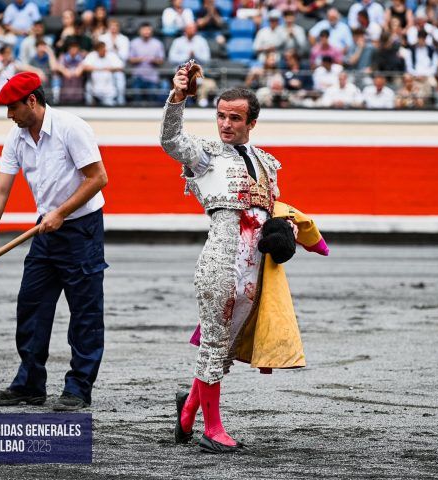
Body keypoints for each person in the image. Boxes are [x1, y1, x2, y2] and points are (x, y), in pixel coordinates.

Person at [159, 70, 297, 454]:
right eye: (221, 116)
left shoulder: (266, 162)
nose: (225, 124)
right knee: (214, 345)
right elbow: (170, 140)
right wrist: (178, 97)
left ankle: (188, 413)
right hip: (220, 262)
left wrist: (284, 230)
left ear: (252, 122)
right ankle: (213, 429)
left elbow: (275, 211)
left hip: (254, 268)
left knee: (225, 347)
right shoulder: (206, 154)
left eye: (235, 118)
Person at [0, 72, 109, 410]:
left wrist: (60, 212)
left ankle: (78, 388)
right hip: (46, 231)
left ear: (32, 100)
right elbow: (0, 189)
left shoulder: (71, 128)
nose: (9, 115)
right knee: (31, 304)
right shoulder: (16, 136)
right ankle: (30, 384)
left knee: (85, 312)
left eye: (12, 107)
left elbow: (98, 178)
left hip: (82, 229)